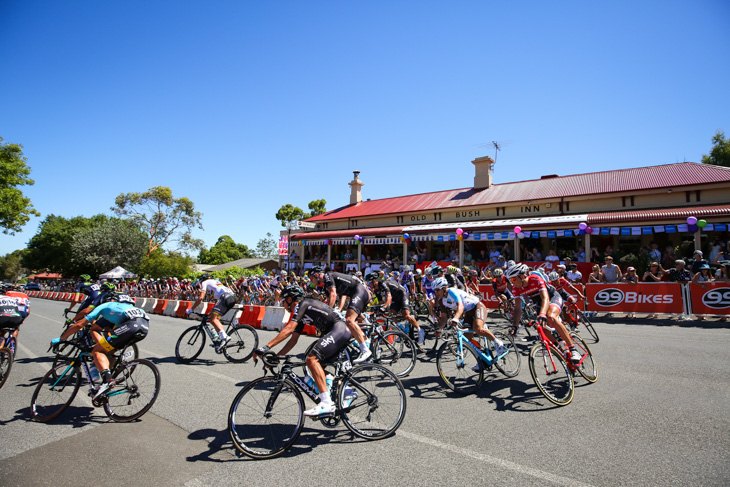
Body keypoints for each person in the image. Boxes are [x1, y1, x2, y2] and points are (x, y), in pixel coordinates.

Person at [254, 285, 350, 417]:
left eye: (283, 300)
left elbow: (288, 329)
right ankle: (349, 392)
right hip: (337, 331)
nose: (282, 303)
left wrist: (265, 347)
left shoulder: (302, 304)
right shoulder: (301, 314)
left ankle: (326, 403)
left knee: (311, 359)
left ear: (290, 299)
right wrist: (276, 357)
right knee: (316, 368)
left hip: (339, 329)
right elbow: (293, 340)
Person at [51, 292, 149, 399]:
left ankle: (108, 380)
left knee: (97, 351)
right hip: (144, 327)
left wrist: (60, 339)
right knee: (108, 350)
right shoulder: (120, 308)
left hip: (131, 325)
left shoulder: (105, 306)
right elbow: (96, 327)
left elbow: (80, 324)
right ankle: (106, 379)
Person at [506, 264, 581, 363]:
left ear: (522, 276)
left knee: (551, 316)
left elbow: (545, 298)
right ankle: (560, 347)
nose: (512, 283)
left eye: (513, 279)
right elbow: (518, 308)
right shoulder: (516, 288)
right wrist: (514, 326)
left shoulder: (535, 279)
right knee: (542, 329)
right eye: (510, 280)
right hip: (540, 303)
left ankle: (573, 349)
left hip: (552, 297)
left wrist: (542, 314)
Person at [308, 266, 372, 363]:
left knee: (349, 320)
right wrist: (336, 310)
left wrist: (328, 312)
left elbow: (333, 295)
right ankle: (366, 341)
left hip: (360, 291)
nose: (311, 281)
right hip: (354, 294)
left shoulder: (328, 276)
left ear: (316, 275)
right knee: (348, 321)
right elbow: (339, 296)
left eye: (311, 278)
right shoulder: (326, 286)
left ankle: (365, 351)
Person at [431, 277, 504, 359]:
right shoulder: (442, 301)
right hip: (468, 312)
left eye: (437, 290)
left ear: (444, 288)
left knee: (478, 328)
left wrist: (455, 318)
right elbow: (444, 318)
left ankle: (498, 343)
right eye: (434, 290)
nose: (436, 292)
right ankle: (482, 357)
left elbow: (460, 306)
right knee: (466, 339)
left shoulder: (452, 291)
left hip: (477, 306)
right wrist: (439, 329)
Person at [366, 273, 424, 349]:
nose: (368, 285)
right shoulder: (377, 291)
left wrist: (385, 306)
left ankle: (420, 331)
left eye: (368, 282)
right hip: (395, 299)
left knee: (405, 315)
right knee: (392, 314)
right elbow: (380, 302)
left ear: (374, 281)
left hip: (402, 295)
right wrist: (378, 310)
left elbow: (388, 296)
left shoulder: (383, 284)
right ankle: (400, 332)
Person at [187, 273, 235, 351]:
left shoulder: (205, 282)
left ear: (202, 280)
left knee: (213, 320)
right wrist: (210, 313)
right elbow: (217, 303)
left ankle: (225, 337)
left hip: (225, 298)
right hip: (231, 298)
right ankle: (220, 340)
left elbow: (200, 298)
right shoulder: (215, 282)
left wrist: (191, 309)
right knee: (215, 319)